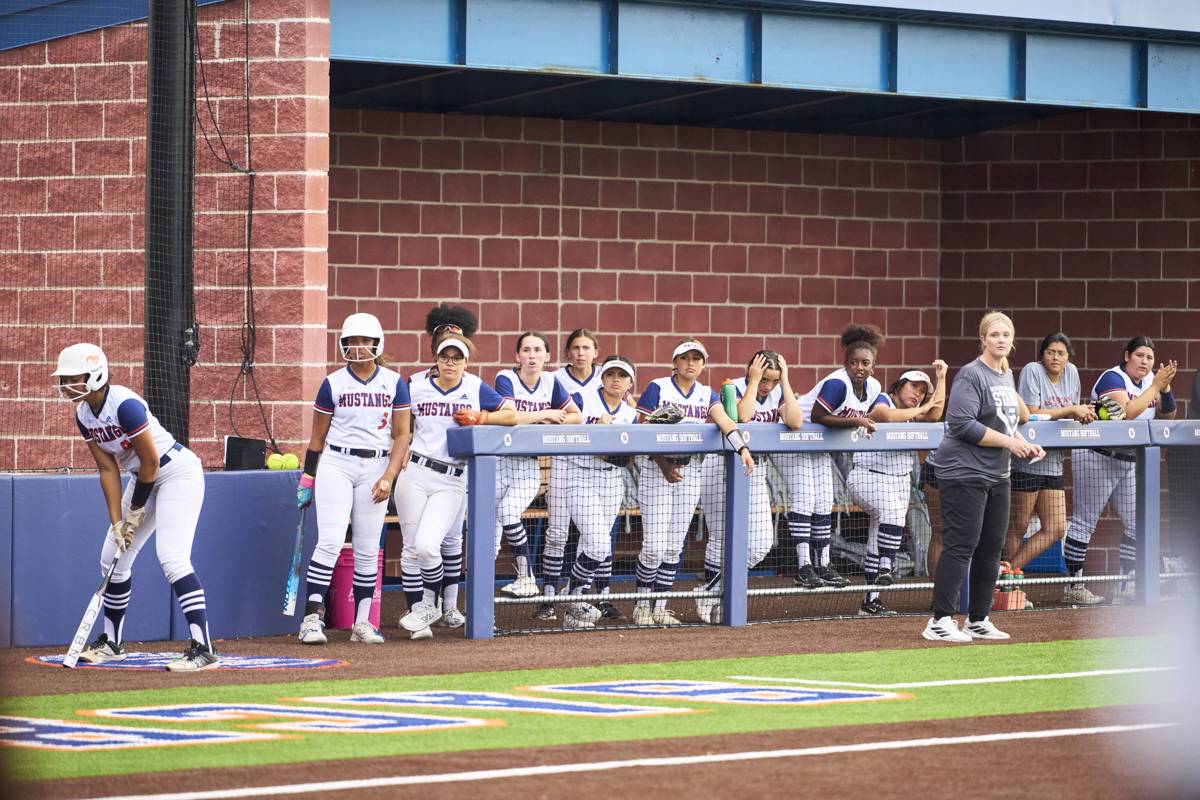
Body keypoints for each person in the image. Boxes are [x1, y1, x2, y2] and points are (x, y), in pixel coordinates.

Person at [54, 343, 218, 671]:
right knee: (111, 558)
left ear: (94, 375)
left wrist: (134, 514)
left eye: (73, 377)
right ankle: (113, 643)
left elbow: (151, 461)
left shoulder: (125, 405)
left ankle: (203, 649)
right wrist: (118, 522)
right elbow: (107, 469)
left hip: (175, 472)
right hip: (140, 477)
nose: (66, 385)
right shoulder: (84, 414)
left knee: (172, 558)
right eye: (65, 379)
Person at [395, 309, 519, 639]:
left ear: (465, 361)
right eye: (445, 356)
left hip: (452, 477)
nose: (450, 363)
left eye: (457, 358)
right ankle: (418, 613)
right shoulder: (415, 383)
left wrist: (482, 418)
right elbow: (400, 427)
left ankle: (435, 603)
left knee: (429, 544)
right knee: (411, 547)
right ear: (436, 358)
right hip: (415, 471)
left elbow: (510, 415)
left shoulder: (476, 386)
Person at [923, 311, 1044, 643]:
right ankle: (940, 620)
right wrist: (1010, 443)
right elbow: (962, 423)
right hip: (964, 472)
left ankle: (978, 618)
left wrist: (1025, 444)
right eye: (994, 335)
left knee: (992, 548)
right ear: (983, 339)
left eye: (1006, 334)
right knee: (961, 545)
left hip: (997, 473)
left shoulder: (1005, 375)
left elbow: (1007, 424)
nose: (1001, 339)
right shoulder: (970, 375)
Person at [295, 313, 412, 646]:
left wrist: (389, 476)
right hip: (337, 462)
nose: (358, 348)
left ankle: (362, 622)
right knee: (330, 540)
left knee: (366, 546)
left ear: (377, 343)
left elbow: (402, 435)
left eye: (364, 341)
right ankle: (311, 620)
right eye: (352, 341)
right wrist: (308, 477)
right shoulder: (333, 382)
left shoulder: (393, 381)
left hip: (376, 467)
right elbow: (317, 438)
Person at [634, 338, 754, 627]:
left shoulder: (705, 393)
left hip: (690, 472)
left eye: (696, 358)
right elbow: (639, 428)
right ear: (675, 362)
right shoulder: (658, 387)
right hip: (655, 470)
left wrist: (743, 449)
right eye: (685, 357)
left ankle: (660, 607)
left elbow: (724, 421)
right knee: (653, 546)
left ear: (703, 364)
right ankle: (640, 605)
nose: (690, 363)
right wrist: (663, 464)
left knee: (674, 546)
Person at [1064, 336, 1178, 604]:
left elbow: (1168, 416)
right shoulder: (1112, 378)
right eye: (1140, 355)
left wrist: (1166, 387)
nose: (1145, 361)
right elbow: (1125, 413)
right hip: (1096, 455)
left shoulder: (1151, 382)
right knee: (1085, 522)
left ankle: (1126, 584)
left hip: (1127, 460)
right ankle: (1073, 585)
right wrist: (1154, 387)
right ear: (1127, 355)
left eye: (1150, 358)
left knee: (1138, 523)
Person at [695, 350, 803, 624]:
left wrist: (786, 381)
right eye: (765, 378)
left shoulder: (779, 392)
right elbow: (742, 417)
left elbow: (795, 421)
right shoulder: (733, 387)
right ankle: (717, 596)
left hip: (754, 469)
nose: (768, 385)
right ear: (753, 370)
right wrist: (753, 383)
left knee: (761, 543)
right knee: (721, 539)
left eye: (773, 380)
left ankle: (710, 591)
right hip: (720, 466)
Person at [779, 324, 883, 590]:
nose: (859, 367)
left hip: (819, 443)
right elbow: (818, 417)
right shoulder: (838, 383)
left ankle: (823, 565)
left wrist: (860, 421)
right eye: (853, 362)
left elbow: (856, 417)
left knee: (824, 500)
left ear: (873, 365)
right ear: (845, 363)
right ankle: (804, 566)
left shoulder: (873, 387)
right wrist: (858, 420)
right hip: (793, 437)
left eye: (865, 363)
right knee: (805, 498)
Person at [492, 332, 583, 620]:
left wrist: (542, 417)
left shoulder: (551, 381)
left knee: (508, 512)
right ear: (517, 355)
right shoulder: (505, 377)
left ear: (547, 356)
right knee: (489, 541)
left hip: (529, 466)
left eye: (538, 350)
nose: (532, 355)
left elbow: (576, 416)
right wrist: (545, 414)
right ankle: (477, 612)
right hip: (497, 464)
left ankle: (527, 577)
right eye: (526, 350)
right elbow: (511, 417)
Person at [1003, 334, 1098, 603]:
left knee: (1056, 528)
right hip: (1028, 458)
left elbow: (1072, 413)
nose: (1056, 357)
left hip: (1054, 461)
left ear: (1069, 356)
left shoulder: (1072, 374)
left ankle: (1005, 573)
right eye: (1051, 352)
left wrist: (1082, 413)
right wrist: (1071, 410)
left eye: (1061, 353)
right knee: (1018, 527)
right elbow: (1031, 411)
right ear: (1042, 354)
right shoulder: (1033, 372)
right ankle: (1006, 588)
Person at [848, 362, 947, 616]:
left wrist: (942, 377)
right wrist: (924, 406)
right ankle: (886, 566)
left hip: (899, 480)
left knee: (875, 538)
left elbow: (935, 415)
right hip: (867, 476)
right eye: (914, 386)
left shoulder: (914, 410)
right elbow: (887, 416)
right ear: (900, 385)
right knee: (893, 515)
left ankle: (870, 601)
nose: (918, 393)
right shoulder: (884, 399)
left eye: (923, 391)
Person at [556, 355, 639, 629]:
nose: (616, 379)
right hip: (580, 476)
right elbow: (563, 433)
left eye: (623, 376)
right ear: (602, 378)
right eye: (611, 374)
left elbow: (628, 458)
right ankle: (570, 595)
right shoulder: (582, 398)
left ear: (630, 382)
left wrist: (606, 448)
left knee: (590, 545)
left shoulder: (630, 414)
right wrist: (595, 432)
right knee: (600, 544)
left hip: (613, 481)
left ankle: (572, 616)